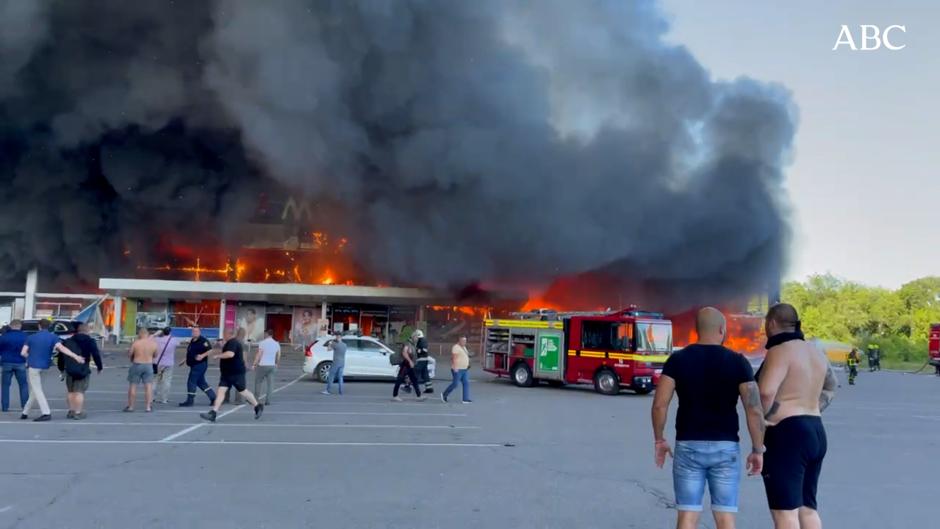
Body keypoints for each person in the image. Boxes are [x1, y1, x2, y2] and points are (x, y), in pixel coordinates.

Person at [651, 307, 765, 529]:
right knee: (725, 518)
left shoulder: (677, 360)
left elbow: (659, 405)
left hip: (688, 445)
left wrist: (659, 439)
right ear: (722, 330)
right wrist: (758, 449)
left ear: (697, 330)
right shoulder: (738, 362)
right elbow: (754, 409)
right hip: (726, 448)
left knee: (687, 516)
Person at [758, 303, 837, 529]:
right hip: (815, 429)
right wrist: (813, 407)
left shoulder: (779, 351)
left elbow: (765, 391)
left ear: (771, 323)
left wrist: (766, 418)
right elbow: (832, 387)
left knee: (785, 513)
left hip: (787, 433)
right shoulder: (816, 351)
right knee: (807, 508)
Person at [21, 319, 84, 421]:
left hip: (33, 365)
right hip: (45, 366)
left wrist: (29, 358)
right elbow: (62, 349)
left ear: (39, 326)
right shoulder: (53, 337)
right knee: (35, 389)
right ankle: (25, 412)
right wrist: (75, 356)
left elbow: (23, 352)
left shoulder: (31, 337)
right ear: (49, 327)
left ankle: (46, 412)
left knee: (37, 389)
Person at [200, 328, 264, 422]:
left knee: (243, 391)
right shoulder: (229, 343)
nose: (223, 335)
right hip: (226, 373)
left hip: (236, 373)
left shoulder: (233, 342)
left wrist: (218, 356)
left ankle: (257, 406)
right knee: (221, 392)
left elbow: (230, 354)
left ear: (228, 334)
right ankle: (213, 413)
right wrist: (222, 347)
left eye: (224, 333)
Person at [58, 323, 103, 419]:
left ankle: (71, 410)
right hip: (83, 369)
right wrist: (99, 366)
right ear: (87, 331)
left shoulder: (68, 341)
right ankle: (78, 412)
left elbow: (61, 356)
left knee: (70, 391)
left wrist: (61, 368)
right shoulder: (90, 341)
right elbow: (95, 354)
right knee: (79, 391)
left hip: (70, 369)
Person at [178, 327, 217, 407]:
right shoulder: (192, 340)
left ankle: (190, 400)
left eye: (196, 331)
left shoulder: (203, 341)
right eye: (193, 331)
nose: (194, 333)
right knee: (201, 382)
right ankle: (213, 398)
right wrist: (185, 359)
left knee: (191, 381)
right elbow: (191, 352)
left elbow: (210, 350)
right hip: (193, 364)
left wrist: (202, 356)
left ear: (199, 332)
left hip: (200, 365)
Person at [126, 327, 157, 412]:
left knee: (133, 385)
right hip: (148, 365)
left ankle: (131, 406)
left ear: (140, 334)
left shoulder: (136, 343)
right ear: (147, 334)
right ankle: (148, 407)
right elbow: (155, 355)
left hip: (137, 364)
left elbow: (130, 354)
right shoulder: (153, 344)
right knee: (148, 386)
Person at [0, 319, 29, 413]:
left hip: (7, 362)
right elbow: (28, 350)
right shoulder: (25, 337)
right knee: (23, 385)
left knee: (5, 385)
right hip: (20, 362)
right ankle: (25, 406)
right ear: (20, 326)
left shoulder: (4, 337)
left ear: (10, 326)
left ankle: (5, 407)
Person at [153, 327, 181, 404]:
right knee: (166, 381)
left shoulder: (157, 340)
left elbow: (149, 339)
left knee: (154, 380)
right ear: (170, 332)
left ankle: (152, 397)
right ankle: (164, 399)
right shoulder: (173, 340)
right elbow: (179, 343)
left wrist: (156, 334)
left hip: (156, 363)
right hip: (168, 363)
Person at [253, 329, 280, 404]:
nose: (264, 335)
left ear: (266, 334)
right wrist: (276, 364)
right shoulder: (276, 343)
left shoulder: (262, 343)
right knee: (270, 384)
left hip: (262, 365)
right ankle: (268, 401)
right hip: (272, 365)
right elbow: (278, 355)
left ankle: (256, 399)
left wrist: (254, 364)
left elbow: (259, 354)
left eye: (264, 334)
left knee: (258, 382)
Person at [442, 335, 472, 404]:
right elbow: (454, 358)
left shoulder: (464, 347)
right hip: (458, 369)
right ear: (459, 340)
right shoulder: (455, 347)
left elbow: (465, 356)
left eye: (465, 341)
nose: (465, 342)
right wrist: (455, 367)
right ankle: (444, 394)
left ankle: (465, 399)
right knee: (455, 384)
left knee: (466, 383)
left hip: (464, 369)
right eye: (463, 340)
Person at [413, 329, 433, 394]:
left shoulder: (422, 340)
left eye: (415, 336)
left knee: (415, 372)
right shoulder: (422, 340)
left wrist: (418, 350)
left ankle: (409, 386)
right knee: (425, 374)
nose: (415, 337)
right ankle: (429, 388)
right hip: (424, 359)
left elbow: (424, 350)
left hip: (421, 360)